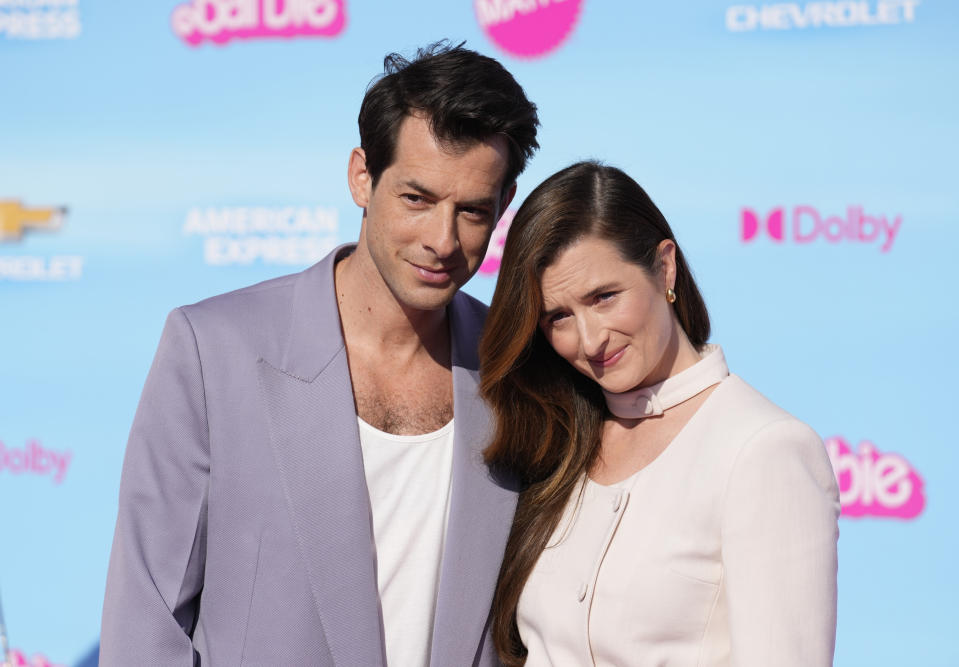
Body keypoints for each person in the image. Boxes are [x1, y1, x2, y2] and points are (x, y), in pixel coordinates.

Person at [100, 41, 539, 666]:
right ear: (362, 176)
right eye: (416, 199)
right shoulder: (213, 352)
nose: (442, 240)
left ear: (504, 205)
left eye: (471, 211)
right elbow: (146, 624)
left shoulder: (517, 370)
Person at [480, 161, 840, 666]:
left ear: (664, 267)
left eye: (604, 297)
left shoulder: (763, 449)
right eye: (558, 317)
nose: (589, 340)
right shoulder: (557, 442)